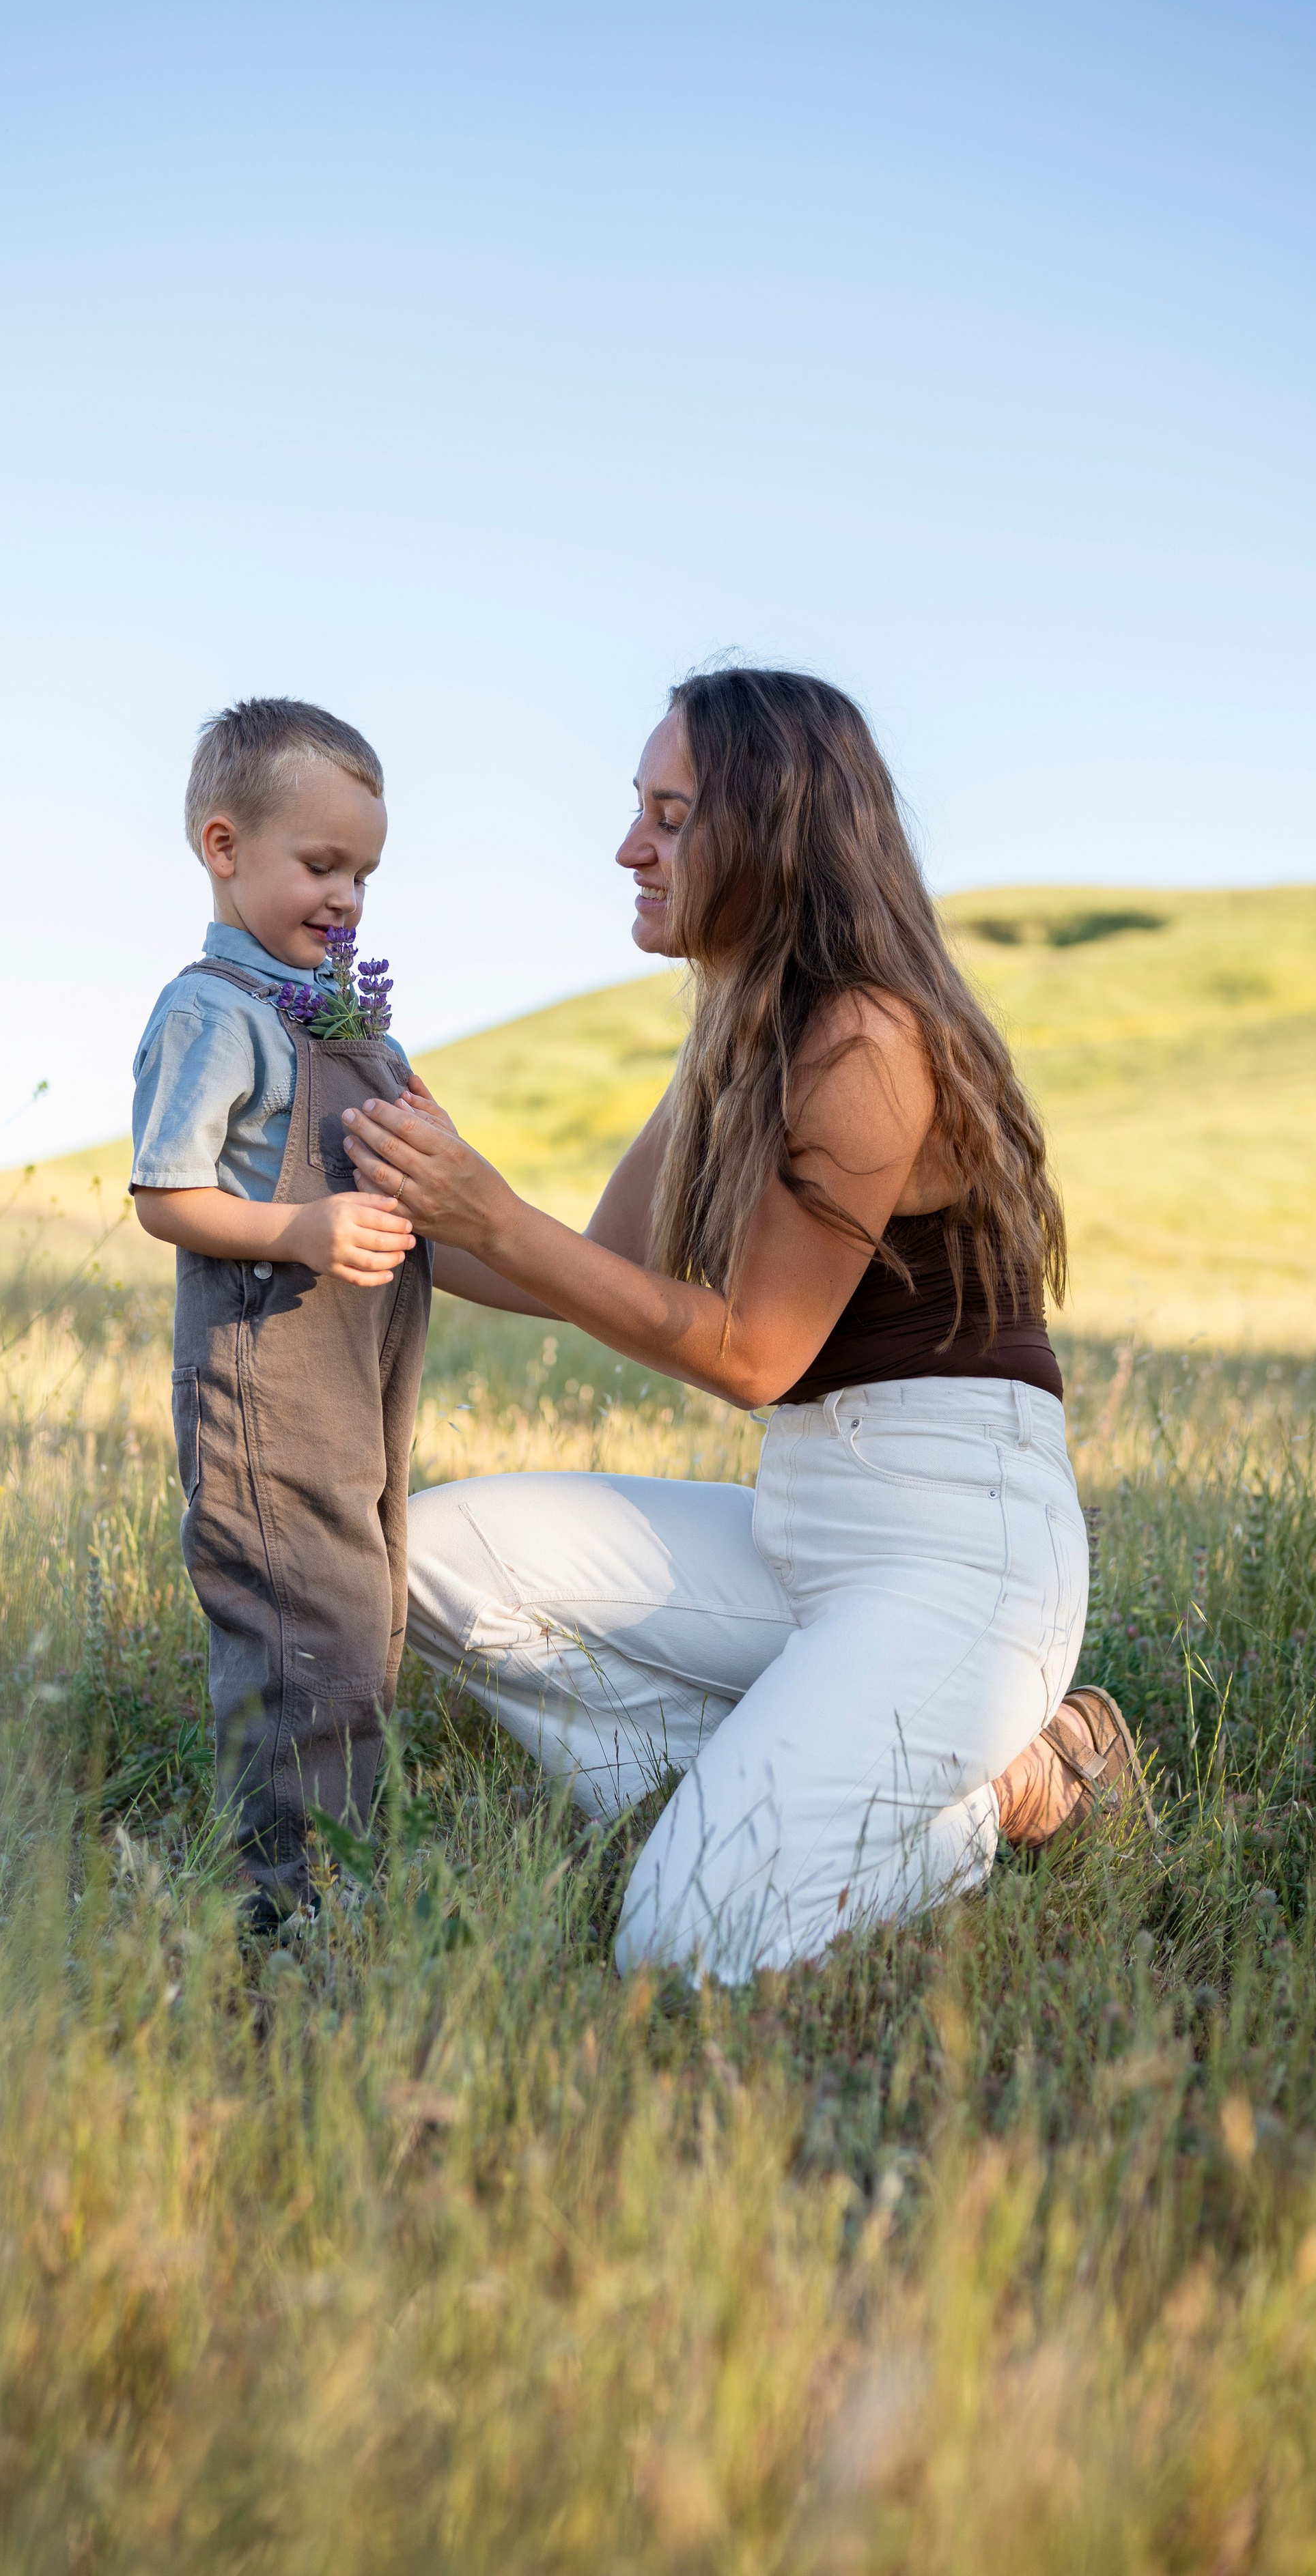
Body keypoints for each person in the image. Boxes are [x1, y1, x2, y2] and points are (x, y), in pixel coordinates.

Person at [342, 668, 1151, 1983]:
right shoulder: (741, 1029)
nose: (629, 847)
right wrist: (381, 1188)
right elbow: (589, 1270)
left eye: (670, 814)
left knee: (680, 1939)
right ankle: (825, 1775)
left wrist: (489, 1213)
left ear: (771, 833)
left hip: (956, 1555)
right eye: (638, 809)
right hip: (806, 1532)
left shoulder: (867, 1043)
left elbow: (750, 1355)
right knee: (433, 1560)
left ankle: (987, 1806)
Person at [130, 698, 426, 1926]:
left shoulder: (345, 1018)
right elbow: (165, 1194)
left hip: (359, 1374)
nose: (347, 896)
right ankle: (280, 1903)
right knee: (305, 1635)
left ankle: (338, 1869)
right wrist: (300, 1227)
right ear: (224, 846)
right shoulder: (211, 1010)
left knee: (366, 1617)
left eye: (362, 871)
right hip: (267, 1377)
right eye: (320, 864)